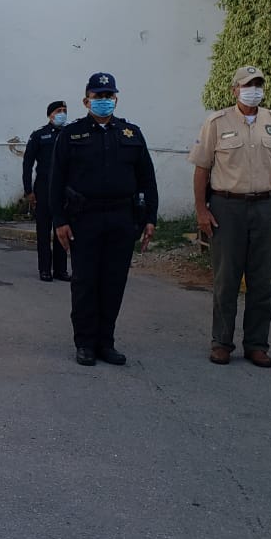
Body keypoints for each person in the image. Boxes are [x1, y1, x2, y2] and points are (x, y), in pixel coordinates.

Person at [189, 65, 271, 368]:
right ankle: (222, 342)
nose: (255, 90)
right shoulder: (216, 122)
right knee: (227, 279)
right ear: (234, 90)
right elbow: (201, 169)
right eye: (248, 85)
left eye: (259, 84)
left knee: (263, 281)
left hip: (267, 206)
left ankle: (257, 344)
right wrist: (201, 210)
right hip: (227, 207)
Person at [49, 73, 157, 367]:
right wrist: (59, 219)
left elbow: (147, 177)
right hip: (84, 218)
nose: (104, 101)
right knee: (84, 282)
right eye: (98, 97)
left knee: (113, 282)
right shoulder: (71, 136)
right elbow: (55, 181)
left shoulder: (131, 134)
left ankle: (105, 342)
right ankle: (84, 343)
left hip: (122, 218)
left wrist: (150, 218)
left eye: (109, 96)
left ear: (116, 99)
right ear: (87, 101)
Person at [22, 100, 71, 282]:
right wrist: (28, 190)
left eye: (65, 110)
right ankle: (45, 269)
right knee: (43, 231)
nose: (62, 113)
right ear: (50, 114)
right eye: (59, 110)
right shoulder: (39, 135)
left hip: (65, 191)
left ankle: (61, 270)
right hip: (43, 189)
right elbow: (28, 163)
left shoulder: (69, 135)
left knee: (63, 229)